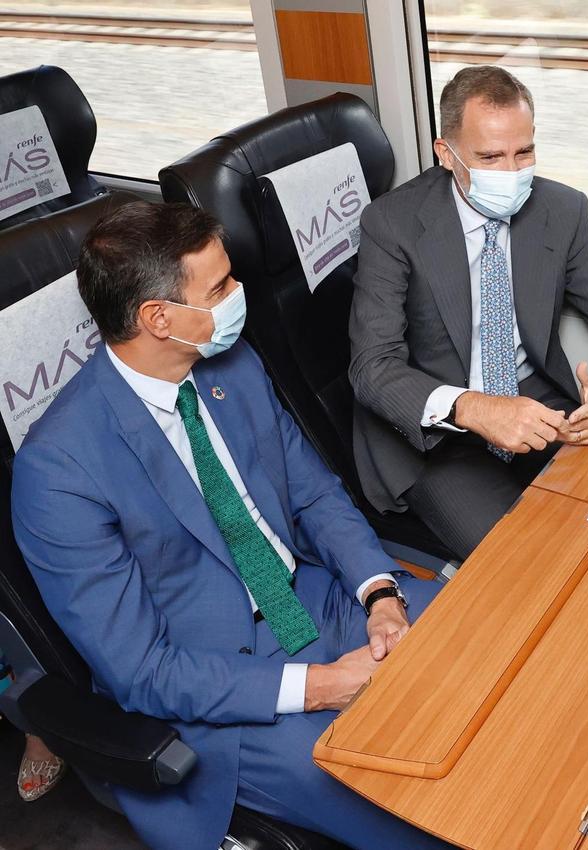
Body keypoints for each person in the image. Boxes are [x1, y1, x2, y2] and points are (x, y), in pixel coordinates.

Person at [10, 202, 451, 850]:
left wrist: (379, 594)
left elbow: (315, 496)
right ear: (158, 318)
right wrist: (324, 686)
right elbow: (145, 671)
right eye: (219, 288)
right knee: (418, 799)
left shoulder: (233, 367)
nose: (240, 296)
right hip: (217, 687)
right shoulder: (58, 470)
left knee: (485, 654)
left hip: (317, 599)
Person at [349, 65, 588, 560]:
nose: (512, 172)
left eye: (524, 152)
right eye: (490, 156)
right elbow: (372, 368)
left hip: (538, 402)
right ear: (446, 154)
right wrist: (476, 408)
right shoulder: (393, 224)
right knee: (524, 560)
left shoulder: (561, 211)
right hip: (435, 437)